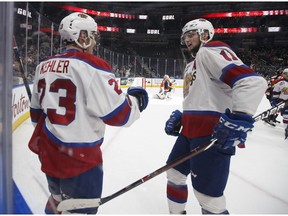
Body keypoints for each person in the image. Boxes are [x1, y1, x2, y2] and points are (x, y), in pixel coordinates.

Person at [28, 12, 148, 214]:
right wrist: (136, 101)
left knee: (57, 204)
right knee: (79, 210)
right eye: (92, 35)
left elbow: (35, 117)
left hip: (50, 156)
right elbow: (121, 115)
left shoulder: (43, 66)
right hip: (81, 161)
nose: (93, 42)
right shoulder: (93, 66)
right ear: (82, 36)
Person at [164, 18, 267, 214]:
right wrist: (184, 117)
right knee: (174, 174)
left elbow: (252, 82)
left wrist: (240, 118)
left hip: (211, 135)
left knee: (208, 197)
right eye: (185, 35)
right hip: (190, 133)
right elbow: (203, 97)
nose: (187, 39)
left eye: (191, 34)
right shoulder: (191, 64)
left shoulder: (210, 50)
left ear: (205, 35)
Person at [270, 68, 288, 138]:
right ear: (283, 74)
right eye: (286, 74)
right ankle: (286, 129)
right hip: (283, 103)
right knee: (286, 116)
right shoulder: (280, 83)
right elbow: (275, 93)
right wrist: (274, 102)